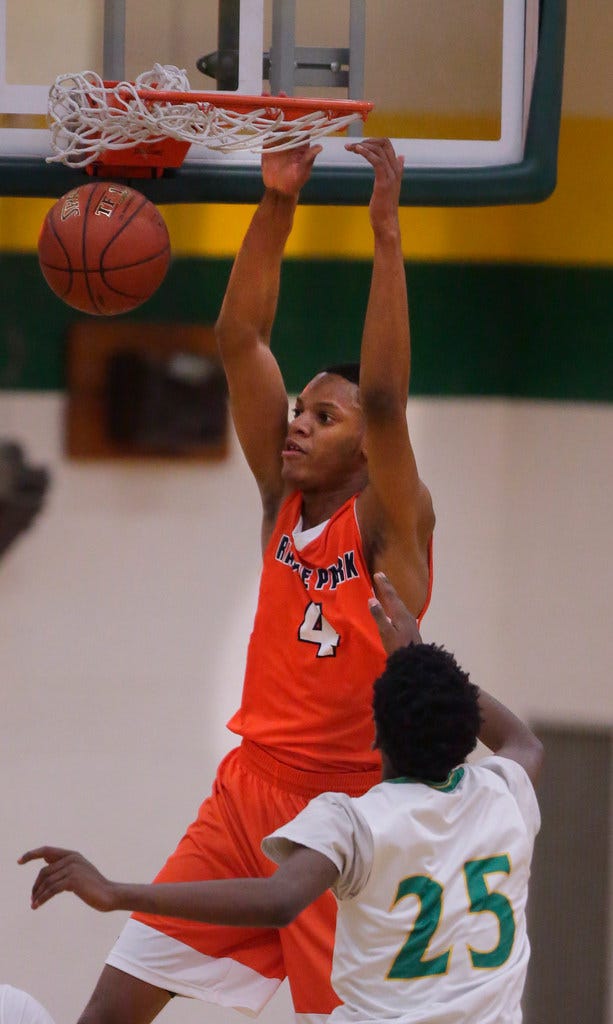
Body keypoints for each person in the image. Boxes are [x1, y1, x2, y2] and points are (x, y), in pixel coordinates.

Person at [31, 138, 434, 1024]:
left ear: (364, 445)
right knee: (107, 1013)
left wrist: (386, 232)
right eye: (299, 411)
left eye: (320, 418)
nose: (296, 426)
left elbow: (386, 400)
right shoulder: (278, 503)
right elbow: (239, 336)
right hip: (244, 790)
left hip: (344, 818)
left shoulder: (389, 531)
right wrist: (277, 201)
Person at [21, 574, 543, 1024]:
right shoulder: (501, 797)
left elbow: (277, 902)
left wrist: (117, 893)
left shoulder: (355, 821)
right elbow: (524, 741)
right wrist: (419, 660)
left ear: (375, 737)